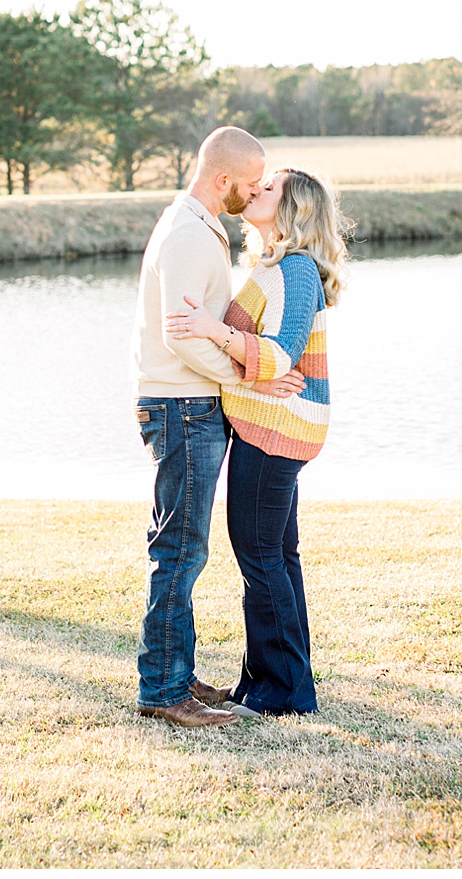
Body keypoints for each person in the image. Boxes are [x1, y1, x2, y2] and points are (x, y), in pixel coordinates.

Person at [130, 127, 304, 728]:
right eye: (251, 182)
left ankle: (175, 673)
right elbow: (182, 335)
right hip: (181, 406)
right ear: (223, 178)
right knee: (179, 550)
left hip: (191, 404)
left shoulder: (201, 227)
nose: (256, 191)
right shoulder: (187, 233)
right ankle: (163, 691)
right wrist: (247, 378)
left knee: (185, 547)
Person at [166, 168, 349, 716]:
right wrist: (243, 365)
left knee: (261, 554)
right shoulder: (273, 266)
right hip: (269, 422)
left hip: (277, 428)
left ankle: (281, 693)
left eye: (269, 188)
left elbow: (281, 354)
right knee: (276, 556)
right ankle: (275, 682)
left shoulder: (296, 269)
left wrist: (213, 329)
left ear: (294, 210)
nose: (255, 190)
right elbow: (265, 360)